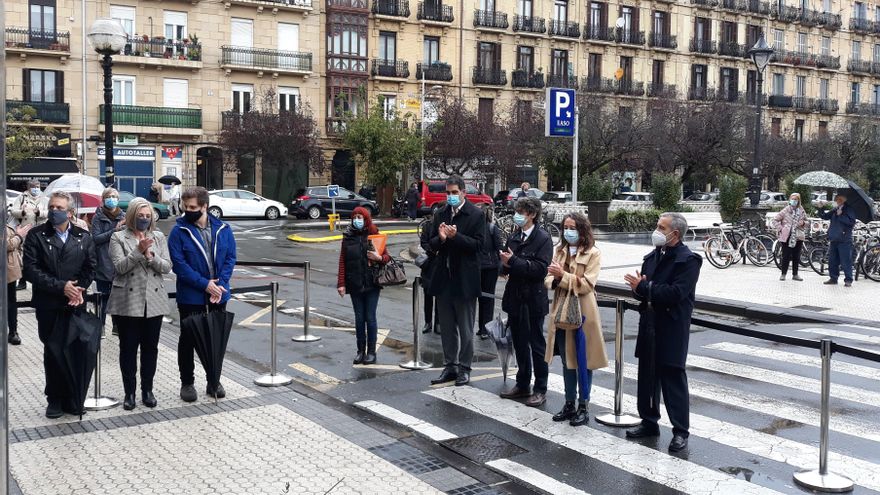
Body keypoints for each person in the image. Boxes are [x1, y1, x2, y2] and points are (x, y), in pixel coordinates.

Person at [623, 212, 701, 452]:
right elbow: (645, 290)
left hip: (671, 327)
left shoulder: (688, 260)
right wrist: (638, 289)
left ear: (674, 234)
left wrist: (644, 287)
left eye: (661, 227)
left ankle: (680, 431)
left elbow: (675, 293)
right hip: (649, 323)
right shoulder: (652, 256)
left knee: (672, 378)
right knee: (647, 376)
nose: (656, 231)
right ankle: (649, 421)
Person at [22, 191, 97, 418]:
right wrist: (61, 286)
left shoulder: (82, 236)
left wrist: (79, 288)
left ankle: (73, 396)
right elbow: (31, 270)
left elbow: (90, 267)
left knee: (75, 349)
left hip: (75, 302)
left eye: (59, 208)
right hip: (49, 303)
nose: (54, 211)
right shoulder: (37, 235)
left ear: (70, 212)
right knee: (54, 351)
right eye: (52, 207)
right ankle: (54, 398)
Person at [168, 186, 236, 403]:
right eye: (185, 207)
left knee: (215, 339)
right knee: (187, 339)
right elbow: (179, 265)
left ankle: (213, 380)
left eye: (193, 207)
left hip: (218, 294)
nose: (188, 210)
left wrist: (220, 285)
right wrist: (205, 285)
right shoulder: (179, 232)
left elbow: (230, 258)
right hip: (191, 295)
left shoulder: (223, 228)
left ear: (205, 206)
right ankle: (187, 382)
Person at [107, 198, 172, 410]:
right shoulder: (118, 237)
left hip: (153, 300)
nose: (144, 219)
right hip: (128, 300)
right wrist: (138, 251)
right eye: (140, 215)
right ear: (132, 216)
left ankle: (147, 390)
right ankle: (130, 392)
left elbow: (167, 266)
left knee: (150, 348)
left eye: (147, 216)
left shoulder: (158, 236)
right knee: (128, 348)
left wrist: (151, 257)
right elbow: (119, 267)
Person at [545, 212, 608, 425]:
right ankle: (569, 402)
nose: (567, 231)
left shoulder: (593, 253)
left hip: (583, 311)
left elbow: (587, 284)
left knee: (584, 359)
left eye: (572, 227)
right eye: (565, 227)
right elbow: (548, 279)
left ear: (582, 229)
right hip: (561, 310)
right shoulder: (559, 250)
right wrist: (554, 279)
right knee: (566, 360)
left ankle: (584, 405)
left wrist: (561, 276)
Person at [426, 176, 486, 386]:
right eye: (448, 193)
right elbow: (430, 245)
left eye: (454, 193)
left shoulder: (476, 214)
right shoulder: (440, 214)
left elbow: (479, 246)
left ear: (463, 192)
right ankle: (449, 365)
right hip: (444, 279)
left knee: (466, 328)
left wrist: (456, 237)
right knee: (447, 327)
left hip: (465, 280)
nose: (450, 197)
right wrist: (441, 238)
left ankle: (465, 367)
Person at [499, 197, 553, 407]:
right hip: (515, 297)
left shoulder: (542, 238)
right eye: (517, 212)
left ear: (531, 214)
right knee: (519, 343)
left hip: (533, 299)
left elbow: (540, 269)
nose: (517, 215)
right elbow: (506, 265)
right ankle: (522, 384)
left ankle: (540, 387)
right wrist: (504, 265)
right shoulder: (514, 236)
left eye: (521, 212)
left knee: (536, 345)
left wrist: (513, 261)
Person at [336, 206, 392, 364]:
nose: (357, 220)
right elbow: (342, 261)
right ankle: (360, 350)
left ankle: (371, 352)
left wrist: (378, 257)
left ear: (366, 219)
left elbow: (387, 257)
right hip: (354, 283)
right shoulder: (348, 237)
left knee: (370, 317)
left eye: (360, 217)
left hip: (372, 283)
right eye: (355, 217)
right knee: (359, 318)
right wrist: (341, 283)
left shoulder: (374, 234)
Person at [90, 187, 126, 328]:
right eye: (109, 196)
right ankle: (101, 326)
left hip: (119, 261)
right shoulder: (98, 217)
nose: (112, 199)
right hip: (103, 261)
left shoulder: (123, 216)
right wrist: (114, 230)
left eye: (114, 196)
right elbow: (96, 238)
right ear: (103, 199)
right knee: (103, 297)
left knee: (118, 297)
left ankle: (117, 326)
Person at [12, 180, 46, 289]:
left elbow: (50, 212)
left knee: (40, 255)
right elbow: (13, 211)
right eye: (33, 186)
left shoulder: (45, 198)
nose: (36, 188)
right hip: (26, 230)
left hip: (41, 231)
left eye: (37, 186)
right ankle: (22, 281)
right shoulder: (22, 197)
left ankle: (38, 281)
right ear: (28, 187)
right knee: (25, 256)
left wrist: (39, 212)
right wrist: (23, 212)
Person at [819, 193, 857, 287]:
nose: (837, 200)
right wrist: (821, 208)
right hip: (834, 238)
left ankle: (848, 280)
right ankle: (833, 278)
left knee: (845, 261)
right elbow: (825, 216)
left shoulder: (849, 209)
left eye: (839, 199)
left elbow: (851, 222)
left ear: (844, 200)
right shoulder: (836, 209)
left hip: (844, 239)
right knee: (832, 260)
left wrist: (841, 216)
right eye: (836, 199)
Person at [477, 207, 503, 340]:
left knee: (482, 297)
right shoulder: (492, 228)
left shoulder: (484, 228)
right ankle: (484, 328)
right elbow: (499, 247)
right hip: (490, 266)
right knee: (487, 298)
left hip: (484, 267)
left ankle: (483, 327)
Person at [772, 193, 807, 281]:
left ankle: (795, 274)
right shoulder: (786, 210)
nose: (794, 201)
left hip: (798, 236)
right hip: (787, 236)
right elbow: (775, 220)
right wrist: (781, 229)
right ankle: (783, 274)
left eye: (796, 199)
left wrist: (803, 223)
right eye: (792, 199)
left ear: (799, 200)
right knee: (786, 255)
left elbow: (807, 222)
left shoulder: (801, 210)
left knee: (796, 256)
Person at [6, 223, 31, 345]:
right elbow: (6, 245)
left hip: (8, 270)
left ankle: (13, 331)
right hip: (5, 270)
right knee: (9, 302)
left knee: (11, 302)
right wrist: (19, 236)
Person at [419, 210, 440, 335]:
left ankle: (438, 322)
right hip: (429, 264)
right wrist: (433, 251)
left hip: (440, 265)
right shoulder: (428, 225)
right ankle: (428, 322)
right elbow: (423, 242)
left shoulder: (445, 225)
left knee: (439, 296)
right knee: (427, 295)